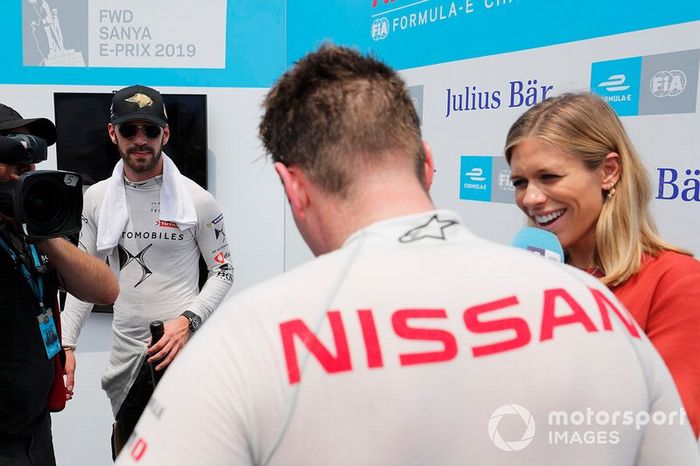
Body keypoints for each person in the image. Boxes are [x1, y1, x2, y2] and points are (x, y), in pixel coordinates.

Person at [116, 45, 699, 465]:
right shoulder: (595, 306)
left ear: (292, 186)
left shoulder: (249, 339)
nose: (532, 197)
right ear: (426, 161)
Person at [504, 92, 700, 438]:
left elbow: (670, 432)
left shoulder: (676, 281)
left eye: (549, 177)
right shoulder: (525, 277)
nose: (530, 198)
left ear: (608, 171)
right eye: (520, 182)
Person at [60, 84, 234, 458]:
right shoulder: (96, 199)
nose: (140, 140)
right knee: (129, 454)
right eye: (129, 130)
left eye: (150, 130)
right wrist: (67, 344)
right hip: (125, 356)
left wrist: (187, 321)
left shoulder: (198, 201)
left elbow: (223, 272)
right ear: (112, 133)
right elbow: (82, 279)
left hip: (181, 351)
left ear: (165, 134)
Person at [0, 103, 119, 466]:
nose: (26, 174)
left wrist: (44, 231)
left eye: (30, 166)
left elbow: (105, 290)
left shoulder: (30, 237)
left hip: (34, 432)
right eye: (13, 162)